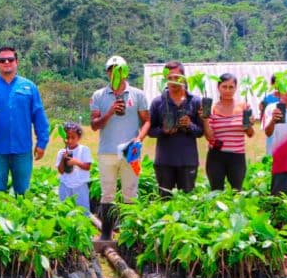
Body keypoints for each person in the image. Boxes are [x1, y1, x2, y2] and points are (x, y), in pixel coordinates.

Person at [0, 46, 50, 195]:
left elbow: (39, 116)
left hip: (22, 150)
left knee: (23, 194)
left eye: (10, 59)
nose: (7, 62)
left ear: (16, 62)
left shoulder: (29, 87)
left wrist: (42, 143)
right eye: (2, 60)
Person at [89, 56, 150, 239]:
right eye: (111, 70)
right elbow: (94, 125)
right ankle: (106, 235)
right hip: (107, 151)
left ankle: (128, 235)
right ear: (107, 72)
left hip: (131, 151)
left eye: (118, 69)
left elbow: (147, 121)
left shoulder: (138, 94)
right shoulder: (99, 95)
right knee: (107, 194)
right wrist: (110, 112)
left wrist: (139, 139)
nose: (114, 73)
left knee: (130, 194)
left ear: (125, 72)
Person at [148, 60, 204, 197]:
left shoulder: (195, 101)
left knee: (187, 200)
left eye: (177, 77)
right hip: (164, 162)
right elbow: (150, 130)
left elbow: (200, 132)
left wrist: (189, 125)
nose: (173, 81)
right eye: (169, 78)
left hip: (188, 161)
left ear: (183, 78)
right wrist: (163, 131)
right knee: (164, 200)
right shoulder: (158, 102)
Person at [204, 73, 255, 191]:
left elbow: (250, 134)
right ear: (218, 88)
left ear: (236, 88)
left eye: (231, 87)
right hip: (216, 156)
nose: (227, 90)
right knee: (216, 191)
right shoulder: (212, 108)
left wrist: (248, 124)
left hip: (237, 156)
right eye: (224, 87)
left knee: (237, 191)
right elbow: (209, 136)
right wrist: (205, 120)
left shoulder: (244, 107)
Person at [55, 122, 92, 214]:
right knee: (65, 210)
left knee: (83, 211)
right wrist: (63, 159)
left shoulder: (83, 150)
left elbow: (87, 166)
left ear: (78, 138)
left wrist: (76, 162)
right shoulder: (62, 152)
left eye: (73, 137)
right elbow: (61, 171)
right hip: (65, 184)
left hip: (80, 185)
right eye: (67, 137)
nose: (70, 140)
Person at [260, 74, 280, 157]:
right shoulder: (268, 99)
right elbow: (263, 117)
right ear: (272, 84)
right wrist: (261, 109)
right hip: (272, 129)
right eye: (276, 82)